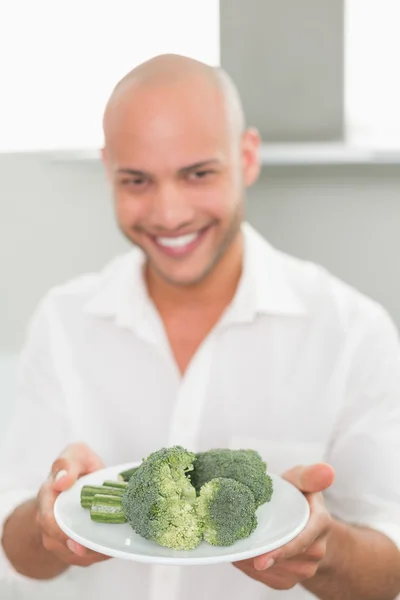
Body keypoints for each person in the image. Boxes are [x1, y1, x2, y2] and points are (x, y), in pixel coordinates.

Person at [1, 54, 400, 600]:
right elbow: (17, 554)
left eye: (198, 173)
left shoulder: (355, 334)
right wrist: (47, 517)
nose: (169, 214)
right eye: (137, 180)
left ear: (247, 157)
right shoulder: (62, 322)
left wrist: (323, 554)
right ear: (107, 168)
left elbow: (392, 570)